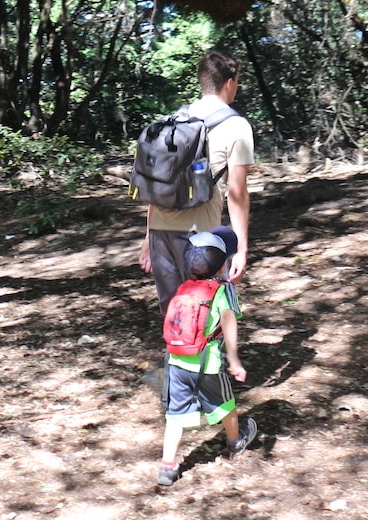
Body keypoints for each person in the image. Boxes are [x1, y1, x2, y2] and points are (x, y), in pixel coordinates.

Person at [138, 49, 255, 313]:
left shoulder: (174, 120)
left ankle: (176, 356)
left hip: (160, 233)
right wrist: (241, 249)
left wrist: (148, 238)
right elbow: (237, 194)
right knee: (208, 314)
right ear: (230, 82)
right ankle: (211, 357)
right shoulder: (237, 126)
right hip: (201, 236)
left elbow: (160, 182)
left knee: (174, 317)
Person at [157, 228, 257, 486]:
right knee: (226, 404)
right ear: (223, 263)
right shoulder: (223, 291)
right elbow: (229, 325)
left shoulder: (183, 289)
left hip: (176, 361)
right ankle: (236, 441)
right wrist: (234, 360)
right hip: (208, 365)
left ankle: (167, 466)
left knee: (175, 416)